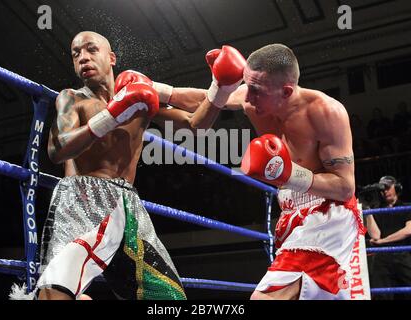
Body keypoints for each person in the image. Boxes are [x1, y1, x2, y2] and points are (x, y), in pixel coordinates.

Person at [156, 43, 366, 300]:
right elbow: (205, 100)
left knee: (265, 297)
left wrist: (289, 174)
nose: (247, 98)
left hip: (328, 214)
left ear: (286, 91)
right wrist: (156, 90)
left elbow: (345, 188)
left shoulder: (325, 112)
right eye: (247, 86)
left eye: (256, 91)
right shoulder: (253, 97)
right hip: (291, 211)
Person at [34, 31, 191, 300]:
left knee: (169, 298)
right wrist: (109, 117)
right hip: (82, 200)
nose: (83, 57)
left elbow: (194, 121)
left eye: (91, 50)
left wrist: (222, 88)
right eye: (76, 54)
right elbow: (57, 151)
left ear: (111, 57)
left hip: (127, 204)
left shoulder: (138, 98)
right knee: (55, 294)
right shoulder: (71, 98)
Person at [365, 176, 411, 300]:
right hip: (382, 256)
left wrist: (383, 241)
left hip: (403, 253)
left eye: (387, 188)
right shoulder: (377, 210)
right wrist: (368, 211)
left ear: (396, 188)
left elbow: (409, 230)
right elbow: (375, 235)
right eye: (382, 189)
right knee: (382, 295)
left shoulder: (407, 207)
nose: (385, 191)